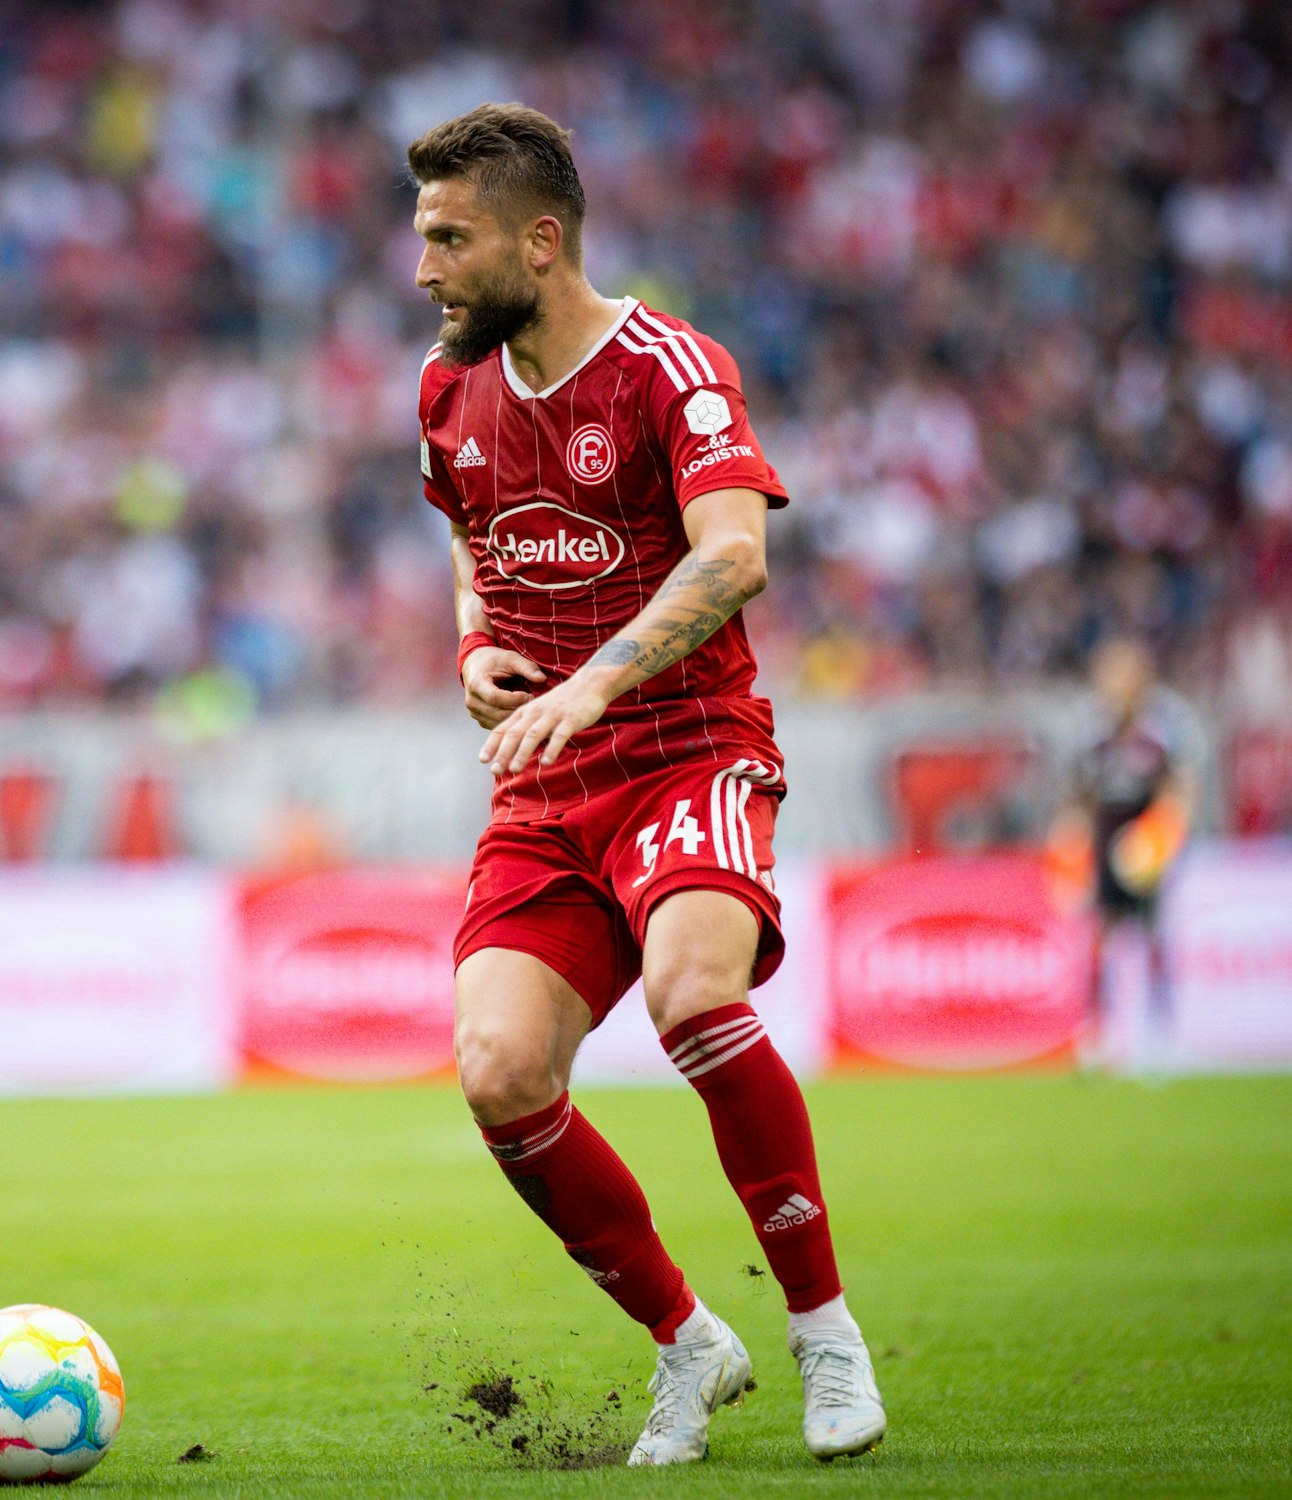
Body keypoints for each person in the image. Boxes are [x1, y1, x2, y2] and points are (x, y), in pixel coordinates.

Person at [408, 104, 885, 1465]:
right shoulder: (445, 389)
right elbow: (470, 542)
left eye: (450, 239)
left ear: (538, 242)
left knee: (693, 994)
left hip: (686, 746)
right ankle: (687, 1339)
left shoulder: (670, 367)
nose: (425, 270)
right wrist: (475, 645)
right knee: (498, 1070)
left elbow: (735, 555)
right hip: (544, 787)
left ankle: (823, 1331)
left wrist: (594, 683)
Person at [1058, 638, 1191, 1061]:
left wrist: (1162, 835)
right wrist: (1069, 847)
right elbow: (1078, 794)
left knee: (1152, 931)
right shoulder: (1091, 728)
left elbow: (1178, 786)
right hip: (1105, 832)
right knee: (1102, 930)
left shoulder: (1162, 725)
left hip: (1145, 836)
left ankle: (1160, 1031)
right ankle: (1099, 1030)